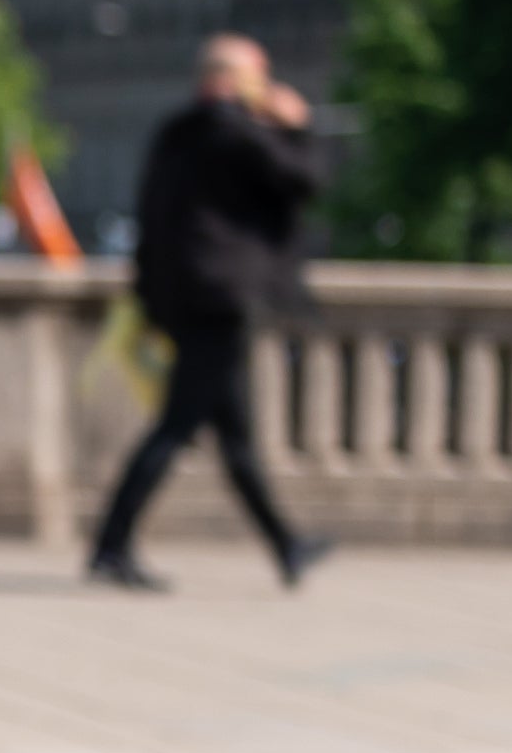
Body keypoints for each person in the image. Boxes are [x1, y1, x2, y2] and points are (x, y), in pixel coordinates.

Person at [87, 34, 331, 592]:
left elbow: (150, 218)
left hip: (181, 298)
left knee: (233, 435)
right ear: (233, 78)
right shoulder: (236, 131)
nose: (266, 86)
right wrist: (294, 125)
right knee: (175, 428)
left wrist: (151, 298)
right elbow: (304, 180)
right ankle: (110, 544)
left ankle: (286, 544)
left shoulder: (175, 133)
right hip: (220, 299)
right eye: (259, 75)